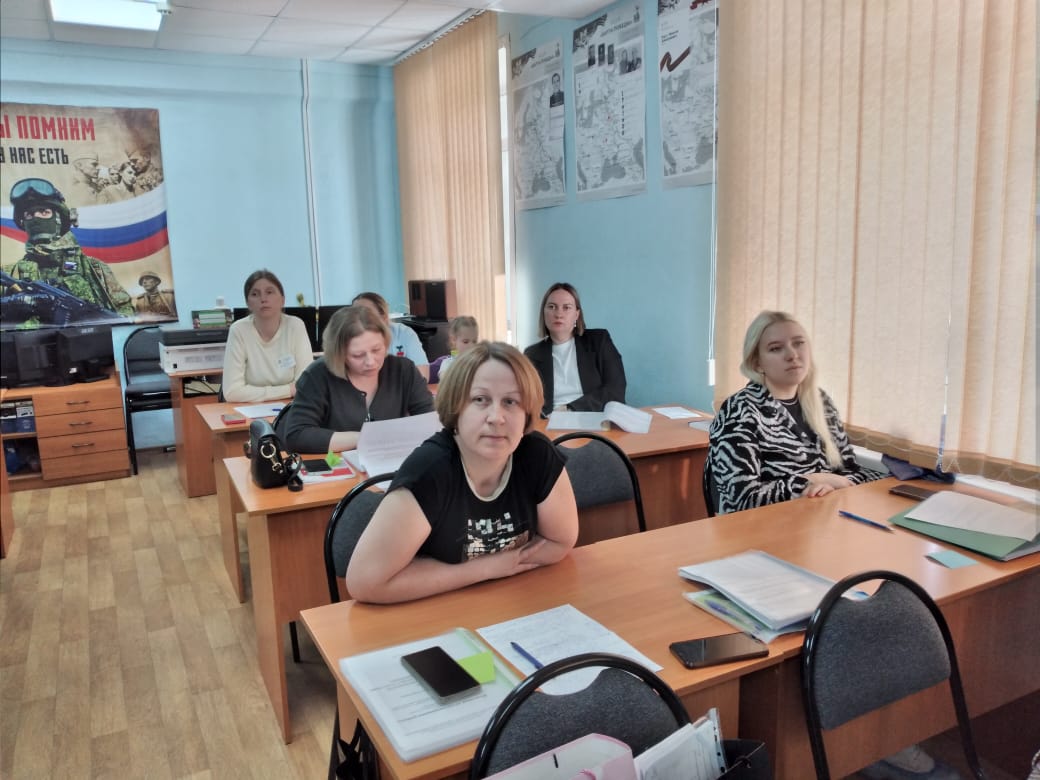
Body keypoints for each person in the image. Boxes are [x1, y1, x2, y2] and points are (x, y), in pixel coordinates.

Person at [345, 341, 579, 604]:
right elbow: (365, 582)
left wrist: (499, 574)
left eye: (511, 401)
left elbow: (560, 541)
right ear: (456, 408)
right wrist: (487, 569)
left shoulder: (536, 455)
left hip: (510, 601)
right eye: (480, 400)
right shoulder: (429, 472)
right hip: (434, 609)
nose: (496, 417)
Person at [707, 310, 884, 515]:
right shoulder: (739, 410)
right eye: (776, 348)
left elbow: (851, 470)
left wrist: (834, 485)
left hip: (819, 519)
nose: (792, 355)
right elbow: (742, 498)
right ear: (757, 363)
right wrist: (812, 481)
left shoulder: (821, 402)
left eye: (799, 343)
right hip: (762, 526)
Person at [278, 305, 433, 453]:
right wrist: (365, 438)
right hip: (335, 466)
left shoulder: (403, 370)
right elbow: (297, 435)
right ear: (339, 354)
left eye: (376, 350)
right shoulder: (317, 375)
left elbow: (431, 422)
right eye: (358, 355)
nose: (370, 361)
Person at [3, 178, 133, 322]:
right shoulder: (11, 274)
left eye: (44, 212)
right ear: (23, 223)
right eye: (29, 214)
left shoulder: (95, 269)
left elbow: (126, 315)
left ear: (59, 219)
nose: (36, 218)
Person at [523, 282, 626, 418]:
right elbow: (526, 401)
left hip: (595, 418)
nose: (558, 314)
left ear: (577, 314)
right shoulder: (531, 354)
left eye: (566, 307)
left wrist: (570, 409)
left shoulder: (599, 341)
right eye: (552, 307)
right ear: (544, 313)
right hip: (549, 422)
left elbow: (616, 389)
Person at [221, 269, 313, 403]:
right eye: (255, 294)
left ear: (282, 300)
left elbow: (306, 384)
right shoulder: (239, 330)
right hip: (249, 410)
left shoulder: (295, 326)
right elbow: (232, 392)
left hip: (290, 408)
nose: (263, 299)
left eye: (269, 292)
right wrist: (288, 390)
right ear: (248, 303)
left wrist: (259, 393)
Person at [351, 291, 431, 381]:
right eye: (354, 313)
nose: (359, 318)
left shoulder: (403, 332)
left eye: (365, 313)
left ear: (383, 316)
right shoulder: (349, 339)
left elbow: (422, 376)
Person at [428, 315, 478, 384]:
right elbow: (446, 382)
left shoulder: (478, 363)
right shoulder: (448, 364)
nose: (471, 346)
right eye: (466, 341)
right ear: (453, 340)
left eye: (474, 341)